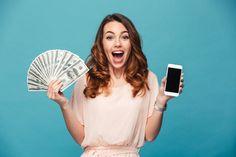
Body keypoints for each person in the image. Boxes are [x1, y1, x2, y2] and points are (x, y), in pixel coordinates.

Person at [47, 13, 184, 157]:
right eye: (110, 37)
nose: (117, 43)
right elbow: (80, 137)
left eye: (124, 37)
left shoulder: (147, 78)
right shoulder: (87, 79)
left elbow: (150, 135)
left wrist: (161, 101)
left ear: (132, 43)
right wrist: (64, 104)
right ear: (102, 44)